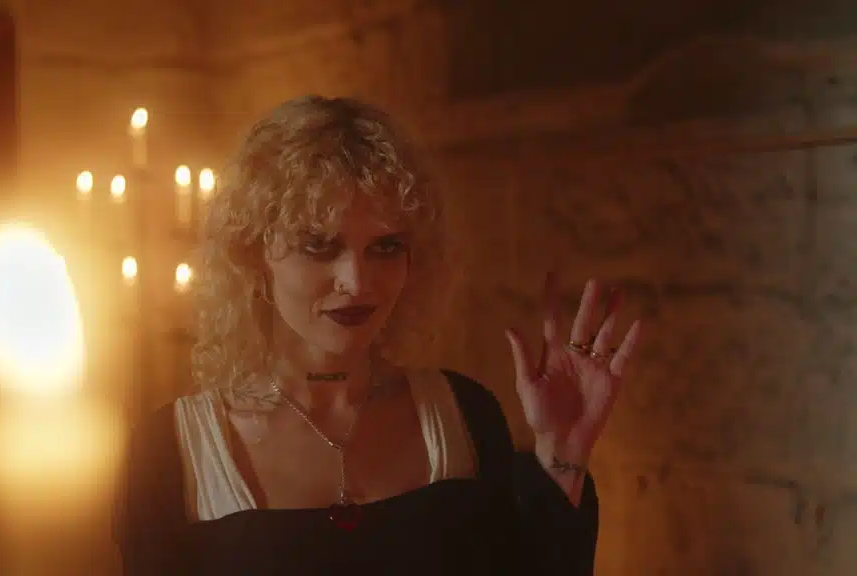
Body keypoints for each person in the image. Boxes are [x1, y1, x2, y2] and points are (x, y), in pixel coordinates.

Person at [113, 95, 642, 575]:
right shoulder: (176, 450)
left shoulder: (463, 415)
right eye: (320, 246)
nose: (357, 281)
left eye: (385, 247)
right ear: (253, 255)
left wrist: (563, 454)